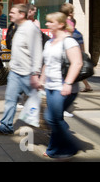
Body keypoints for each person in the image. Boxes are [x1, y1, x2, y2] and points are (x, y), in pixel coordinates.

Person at [0, 4, 43, 135]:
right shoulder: (16, 27)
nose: (10, 14)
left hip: (27, 74)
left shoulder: (31, 29)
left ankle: (55, 125)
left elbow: (37, 52)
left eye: (13, 12)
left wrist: (35, 73)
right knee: (10, 99)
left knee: (38, 101)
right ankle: (6, 126)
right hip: (15, 73)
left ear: (22, 15)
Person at [34, 12, 83, 159]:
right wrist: (42, 80)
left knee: (52, 118)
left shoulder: (69, 41)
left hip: (63, 87)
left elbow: (77, 63)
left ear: (60, 24)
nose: (47, 24)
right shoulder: (49, 42)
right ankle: (54, 149)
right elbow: (47, 64)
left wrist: (67, 83)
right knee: (55, 118)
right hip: (50, 86)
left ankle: (71, 146)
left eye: (51, 22)